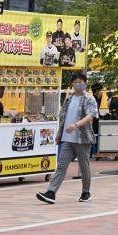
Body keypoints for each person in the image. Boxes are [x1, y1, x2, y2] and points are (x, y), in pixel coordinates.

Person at [36, 72, 99, 204]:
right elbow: (63, 116)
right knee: (61, 166)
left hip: (82, 139)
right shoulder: (69, 99)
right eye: (75, 81)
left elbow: (90, 116)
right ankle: (51, 192)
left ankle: (86, 192)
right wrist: (60, 133)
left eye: (80, 81)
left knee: (84, 166)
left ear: (85, 83)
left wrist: (76, 125)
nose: (77, 84)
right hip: (67, 139)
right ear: (72, 84)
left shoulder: (89, 99)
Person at [90, 83, 105, 158]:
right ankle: (93, 153)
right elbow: (93, 112)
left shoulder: (96, 99)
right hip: (93, 122)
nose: (101, 92)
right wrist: (98, 117)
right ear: (96, 91)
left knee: (95, 136)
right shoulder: (94, 100)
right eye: (100, 91)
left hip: (95, 120)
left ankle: (94, 153)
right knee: (94, 137)